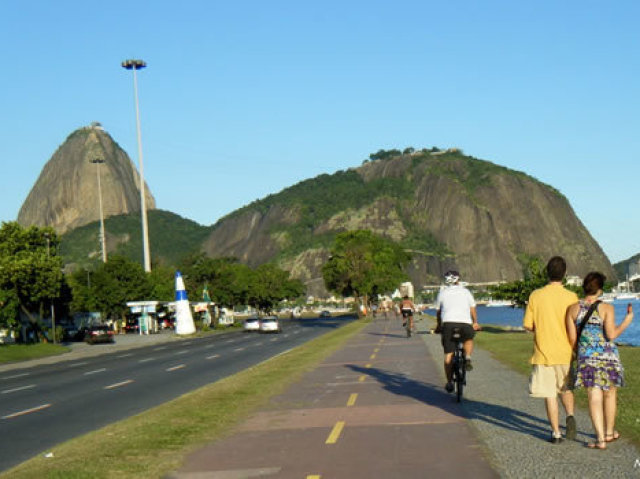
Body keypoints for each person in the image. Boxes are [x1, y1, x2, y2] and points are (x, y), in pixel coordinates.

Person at [565, 272, 634, 449]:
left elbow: (573, 340)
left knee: (594, 397)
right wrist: (627, 321)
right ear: (600, 289)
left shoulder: (572, 309)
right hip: (608, 356)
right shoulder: (606, 308)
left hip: (586, 357)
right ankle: (610, 433)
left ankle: (601, 439)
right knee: (610, 393)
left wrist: (580, 353)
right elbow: (611, 335)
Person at [523, 256, 578, 444]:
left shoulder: (535, 296)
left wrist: (542, 326)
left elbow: (528, 325)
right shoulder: (571, 297)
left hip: (543, 352)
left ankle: (555, 433)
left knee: (550, 394)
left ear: (547, 272)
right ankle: (570, 415)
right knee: (566, 389)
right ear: (564, 273)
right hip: (565, 352)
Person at [435, 270, 480, 393]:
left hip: (448, 324)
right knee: (468, 339)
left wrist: (439, 326)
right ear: (458, 279)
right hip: (465, 323)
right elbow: (472, 308)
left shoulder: (442, 293)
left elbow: (438, 312)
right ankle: (468, 357)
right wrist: (475, 322)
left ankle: (449, 382)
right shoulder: (465, 292)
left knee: (448, 355)